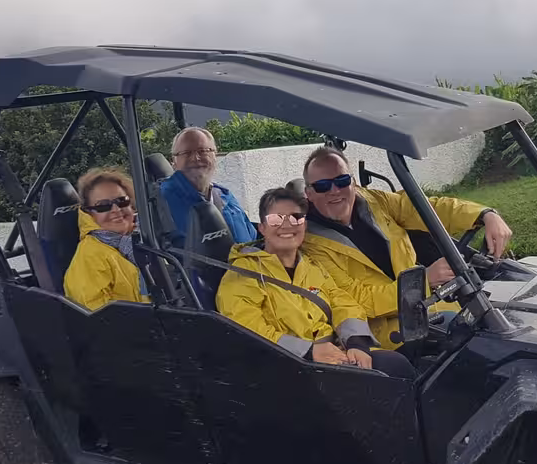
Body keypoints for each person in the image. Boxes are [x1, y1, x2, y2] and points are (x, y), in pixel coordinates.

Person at [298, 145, 514, 350]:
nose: (335, 191)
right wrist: (424, 281)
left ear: (353, 182)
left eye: (342, 180)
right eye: (323, 186)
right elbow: (359, 300)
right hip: (389, 330)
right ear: (309, 193)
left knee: (501, 319)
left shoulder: (374, 201)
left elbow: (426, 208)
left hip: (428, 305)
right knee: (479, 340)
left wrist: (484, 214)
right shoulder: (310, 245)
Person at [216, 187, 415, 378]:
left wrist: (356, 343)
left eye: (296, 217)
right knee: (394, 371)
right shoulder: (242, 274)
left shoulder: (312, 266)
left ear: (304, 225)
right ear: (262, 228)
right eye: (276, 218)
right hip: (288, 367)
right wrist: (309, 352)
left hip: (334, 355)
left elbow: (342, 302)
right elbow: (246, 329)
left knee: (398, 363)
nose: (287, 225)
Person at [63, 167, 150, 310]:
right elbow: (97, 319)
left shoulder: (145, 240)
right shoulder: (90, 256)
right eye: (103, 206)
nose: (116, 209)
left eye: (122, 201)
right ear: (89, 214)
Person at [159, 126, 257, 246]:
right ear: (174, 162)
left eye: (203, 151)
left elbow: (252, 237)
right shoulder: (161, 200)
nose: (195, 158)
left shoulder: (225, 196)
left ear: (215, 156)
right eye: (186, 153)